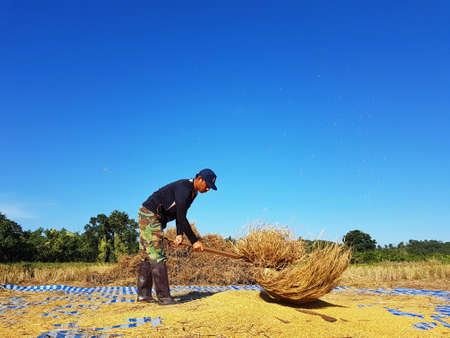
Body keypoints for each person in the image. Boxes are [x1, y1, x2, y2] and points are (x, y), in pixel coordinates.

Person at [136, 168, 217, 305]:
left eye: (210, 187)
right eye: (207, 185)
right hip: (150, 215)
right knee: (156, 254)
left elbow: (181, 214)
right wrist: (194, 241)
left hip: (154, 217)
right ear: (199, 179)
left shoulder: (192, 193)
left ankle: (144, 296)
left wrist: (179, 235)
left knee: (147, 255)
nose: (208, 189)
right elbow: (181, 216)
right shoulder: (184, 188)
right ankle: (164, 298)